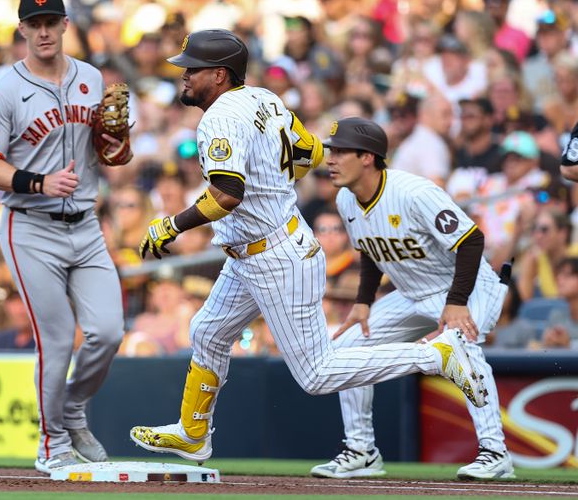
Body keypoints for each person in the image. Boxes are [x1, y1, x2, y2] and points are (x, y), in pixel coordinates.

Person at [129, 29, 487, 464]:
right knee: (207, 331)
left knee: (316, 374)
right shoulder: (264, 98)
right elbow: (310, 152)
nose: (183, 76)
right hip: (254, 249)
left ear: (219, 75)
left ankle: (435, 355)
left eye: (192, 69)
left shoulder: (220, 118)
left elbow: (227, 193)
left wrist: (172, 224)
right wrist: (271, 177)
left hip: (274, 256)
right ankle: (192, 432)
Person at [0, 0, 126, 473]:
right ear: (21, 29)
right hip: (29, 226)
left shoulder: (92, 77)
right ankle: (52, 441)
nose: (43, 31)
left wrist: (119, 140)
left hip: (86, 224)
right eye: (34, 23)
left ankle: (72, 407)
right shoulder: (4, 90)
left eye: (50, 21)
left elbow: (112, 154)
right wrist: (38, 181)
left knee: (108, 331)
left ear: (64, 26)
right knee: (57, 339)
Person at [310, 117, 513, 481]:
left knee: (460, 347)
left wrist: (456, 301)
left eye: (340, 151)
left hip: (466, 287)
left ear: (368, 157)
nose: (331, 159)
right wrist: (363, 302)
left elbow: (471, 240)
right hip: (412, 293)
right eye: (331, 151)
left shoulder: (414, 192)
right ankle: (361, 451)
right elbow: (370, 249)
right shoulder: (346, 198)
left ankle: (495, 451)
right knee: (345, 349)